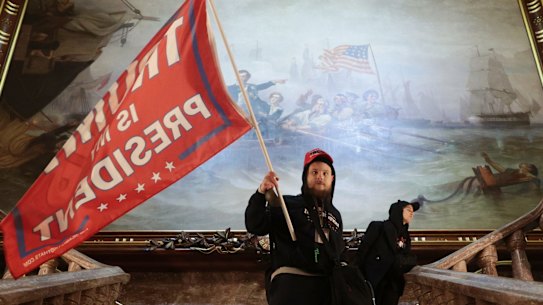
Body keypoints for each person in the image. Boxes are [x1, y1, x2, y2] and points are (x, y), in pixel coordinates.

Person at [245, 148, 344, 305]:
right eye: (315, 172)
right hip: (291, 287)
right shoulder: (287, 205)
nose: (320, 176)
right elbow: (255, 224)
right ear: (306, 177)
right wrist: (260, 193)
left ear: (332, 178)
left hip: (326, 290)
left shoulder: (335, 216)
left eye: (325, 173)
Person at [354, 200, 419, 305]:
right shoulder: (378, 227)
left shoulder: (405, 236)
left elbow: (406, 256)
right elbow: (362, 252)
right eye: (408, 210)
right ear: (398, 211)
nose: (412, 213)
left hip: (393, 283)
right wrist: (359, 277)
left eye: (413, 211)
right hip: (373, 280)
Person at [476, 152, 540, 194]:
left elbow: (537, 180)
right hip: (490, 182)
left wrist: (526, 173)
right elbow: (502, 169)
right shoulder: (516, 171)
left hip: (490, 183)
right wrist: (489, 161)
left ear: (529, 168)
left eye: (526, 164)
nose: (524, 163)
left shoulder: (526, 175)